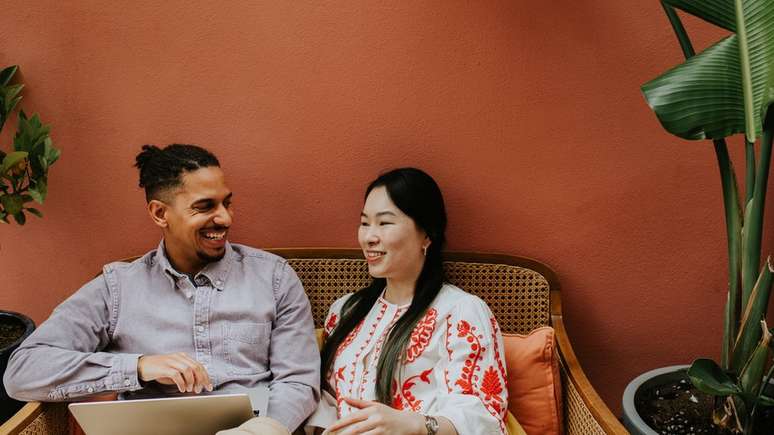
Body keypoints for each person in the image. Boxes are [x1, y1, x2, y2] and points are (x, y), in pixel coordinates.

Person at [3, 144, 319, 435]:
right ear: (159, 213)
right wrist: (138, 367)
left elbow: (298, 380)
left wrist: (264, 431)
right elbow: (22, 371)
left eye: (227, 203)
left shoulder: (274, 277)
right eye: (205, 207)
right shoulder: (117, 288)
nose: (224, 218)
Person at [314, 168, 509, 435]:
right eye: (364, 223)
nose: (369, 237)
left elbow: (483, 416)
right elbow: (325, 400)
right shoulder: (345, 310)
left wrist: (415, 424)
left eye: (384, 223)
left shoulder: (460, 313)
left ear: (427, 235)